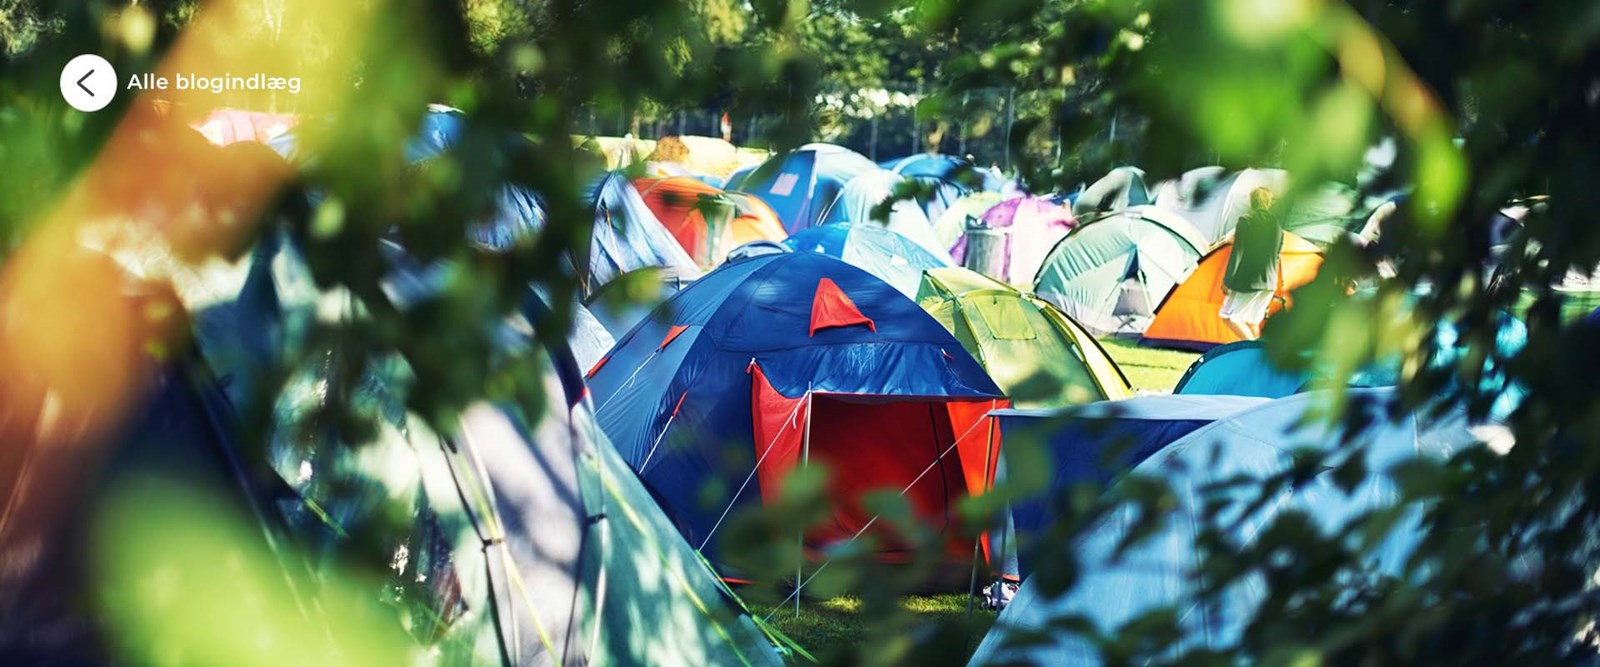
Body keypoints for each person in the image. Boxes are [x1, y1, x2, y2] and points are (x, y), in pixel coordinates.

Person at [1220, 187, 1284, 340]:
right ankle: (1260, 352)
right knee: (1252, 322)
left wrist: (1227, 280)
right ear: (1268, 202)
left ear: (1252, 201)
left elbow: (1238, 253)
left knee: (1229, 317)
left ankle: (1253, 349)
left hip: (1249, 281)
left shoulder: (1246, 221)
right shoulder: (1277, 226)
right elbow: (1277, 256)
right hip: (1269, 282)